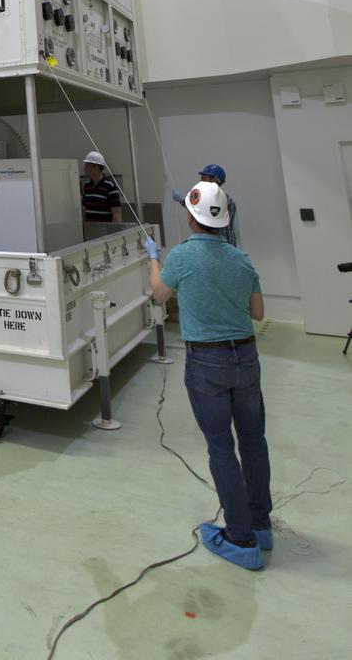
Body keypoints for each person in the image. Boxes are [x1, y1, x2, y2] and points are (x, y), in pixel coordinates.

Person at [144, 181, 271, 571]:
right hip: (246, 358)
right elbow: (259, 312)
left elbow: (158, 295)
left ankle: (241, 538)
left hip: (207, 363)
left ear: (190, 217)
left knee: (221, 447)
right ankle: (261, 524)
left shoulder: (181, 257)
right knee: (253, 440)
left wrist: (153, 259)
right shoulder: (242, 259)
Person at [173, 163, 238, 246]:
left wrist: (182, 200)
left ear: (215, 180)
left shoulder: (226, 201)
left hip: (223, 246)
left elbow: (201, 209)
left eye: (203, 178)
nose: (201, 181)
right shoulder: (225, 200)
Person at [81, 151, 122, 224]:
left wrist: (114, 232)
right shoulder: (87, 186)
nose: (84, 169)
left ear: (96, 167)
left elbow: (116, 213)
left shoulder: (110, 185)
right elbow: (84, 209)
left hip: (105, 231)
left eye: (87, 165)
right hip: (90, 230)